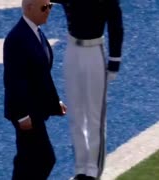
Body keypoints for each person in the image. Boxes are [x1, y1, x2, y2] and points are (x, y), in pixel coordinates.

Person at [51, 0, 124, 179]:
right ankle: (80, 168)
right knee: (75, 114)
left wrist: (114, 60)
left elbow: (116, 24)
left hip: (94, 51)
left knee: (94, 115)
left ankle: (93, 170)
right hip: (72, 50)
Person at [3, 0, 67, 179]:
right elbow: (13, 80)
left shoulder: (35, 32)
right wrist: (22, 115)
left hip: (35, 109)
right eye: (44, 7)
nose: (48, 11)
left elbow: (41, 76)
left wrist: (55, 103)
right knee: (44, 158)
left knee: (28, 159)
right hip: (26, 113)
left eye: (50, 6)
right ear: (29, 8)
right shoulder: (17, 38)